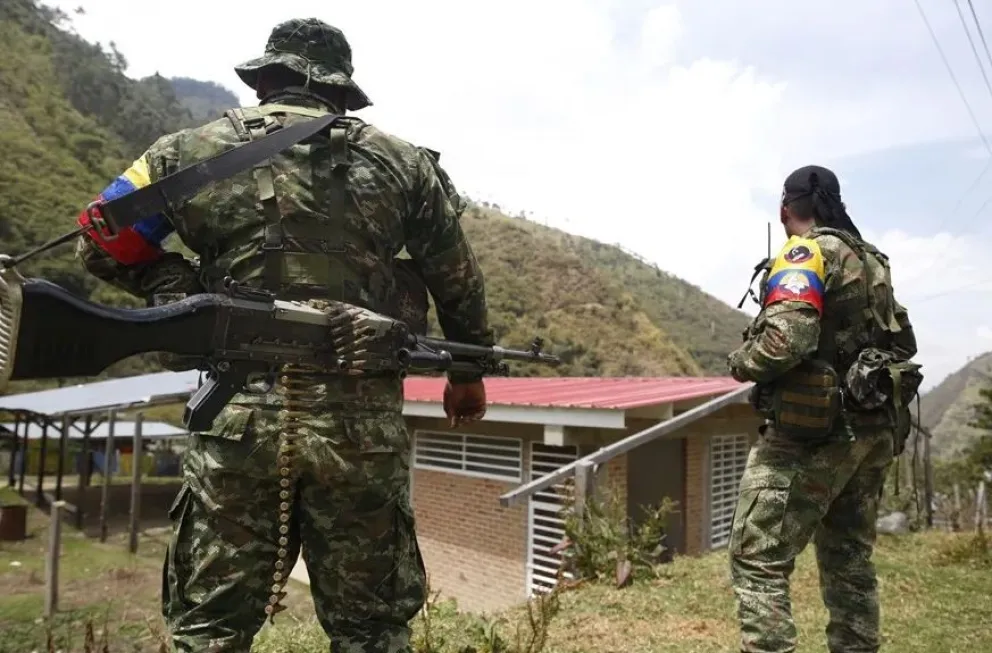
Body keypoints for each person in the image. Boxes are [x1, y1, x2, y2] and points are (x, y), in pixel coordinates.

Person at [74, 18, 493, 653]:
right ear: (341, 92)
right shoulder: (404, 163)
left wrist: (182, 293)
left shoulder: (185, 154)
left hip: (234, 419)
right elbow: (457, 282)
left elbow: (100, 240)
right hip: (359, 429)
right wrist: (466, 375)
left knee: (209, 632)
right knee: (373, 631)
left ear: (265, 78)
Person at [726, 165, 922, 653]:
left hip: (813, 434)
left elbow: (784, 341)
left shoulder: (805, 251)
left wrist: (739, 361)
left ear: (785, 209)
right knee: (849, 561)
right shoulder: (872, 260)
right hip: (872, 430)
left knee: (758, 558)